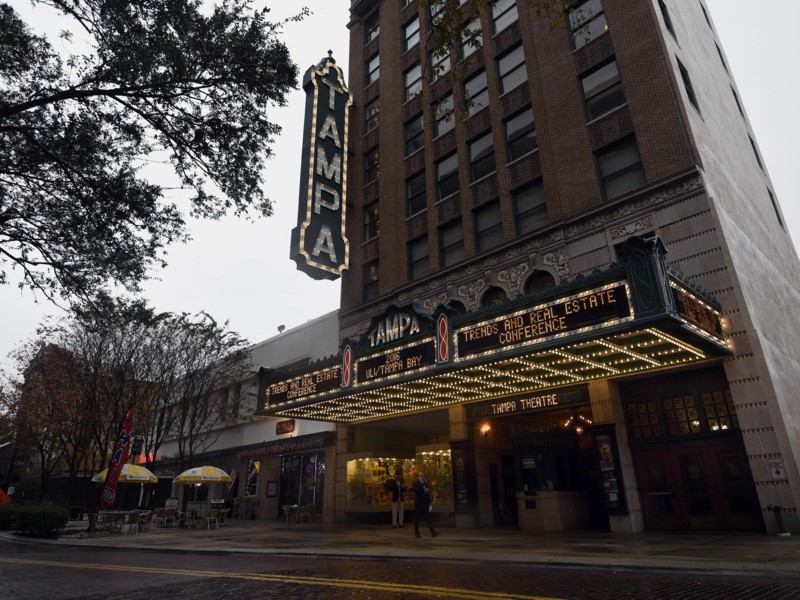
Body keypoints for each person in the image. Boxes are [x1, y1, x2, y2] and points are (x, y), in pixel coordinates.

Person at [412, 471, 439, 538]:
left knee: (428, 518)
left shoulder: (425, 483)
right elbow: (416, 490)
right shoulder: (416, 483)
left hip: (424, 504)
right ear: (418, 477)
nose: (422, 477)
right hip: (418, 504)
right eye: (420, 476)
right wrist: (421, 483)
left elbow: (427, 493)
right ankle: (417, 533)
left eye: (422, 475)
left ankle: (433, 532)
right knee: (416, 519)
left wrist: (429, 501)